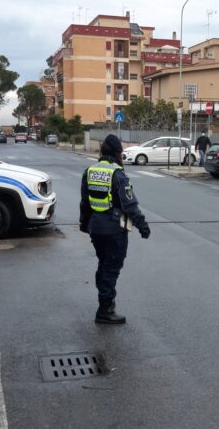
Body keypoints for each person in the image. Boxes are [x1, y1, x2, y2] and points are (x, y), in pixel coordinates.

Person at [80, 135, 151, 324]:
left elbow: (84, 203)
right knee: (111, 268)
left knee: (104, 265)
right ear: (118, 153)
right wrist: (143, 226)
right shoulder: (118, 174)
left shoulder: (89, 171)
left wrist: (84, 225)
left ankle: (105, 301)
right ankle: (105, 309)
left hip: (96, 228)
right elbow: (130, 205)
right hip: (113, 230)